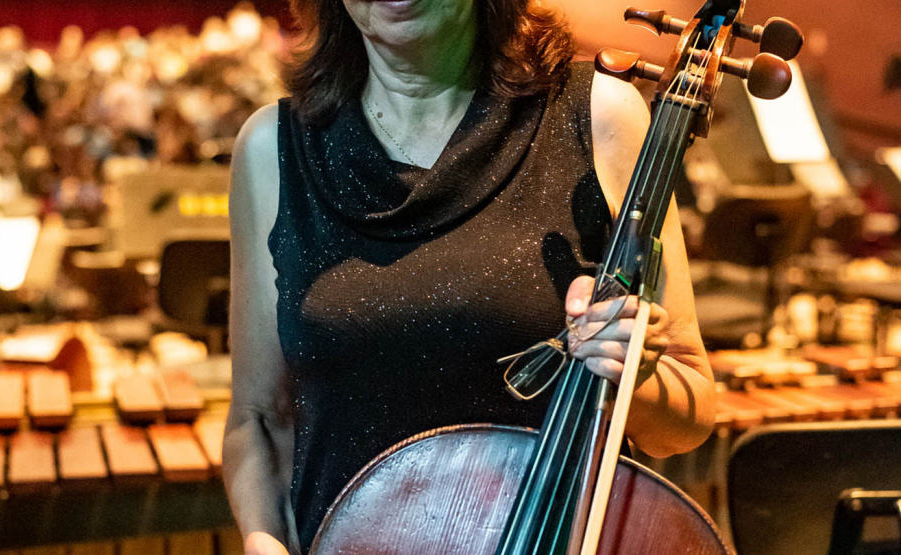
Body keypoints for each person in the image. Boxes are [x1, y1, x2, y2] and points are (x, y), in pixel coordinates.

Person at [223, 0, 717, 552]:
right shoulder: (271, 147)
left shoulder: (600, 115)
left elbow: (690, 413)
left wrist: (633, 377)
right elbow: (258, 417)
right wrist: (264, 541)